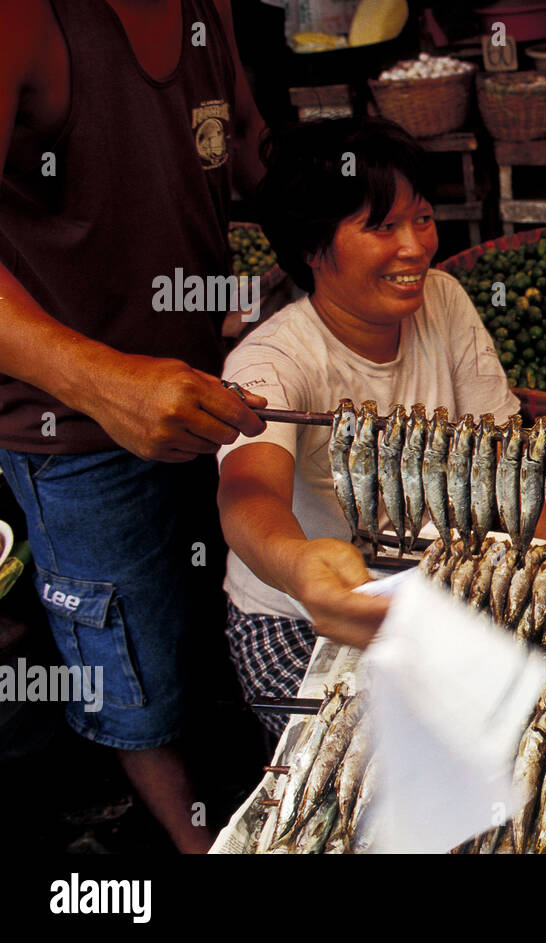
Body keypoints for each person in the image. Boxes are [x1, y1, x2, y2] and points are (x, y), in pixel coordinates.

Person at [0, 0, 268, 853]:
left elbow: (253, 152)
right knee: (128, 664)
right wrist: (102, 381)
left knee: (193, 611)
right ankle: (190, 843)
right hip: (68, 424)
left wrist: (366, 221)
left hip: (197, 389)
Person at [217, 118, 522, 737]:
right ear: (311, 246)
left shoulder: (444, 301)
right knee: (364, 778)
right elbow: (248, 494)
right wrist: (299, 563)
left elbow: (504, 457)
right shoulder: (272, 361)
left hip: (437, 592)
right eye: (382, 227)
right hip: (298, 617)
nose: (414, 247)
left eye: (423, 218)